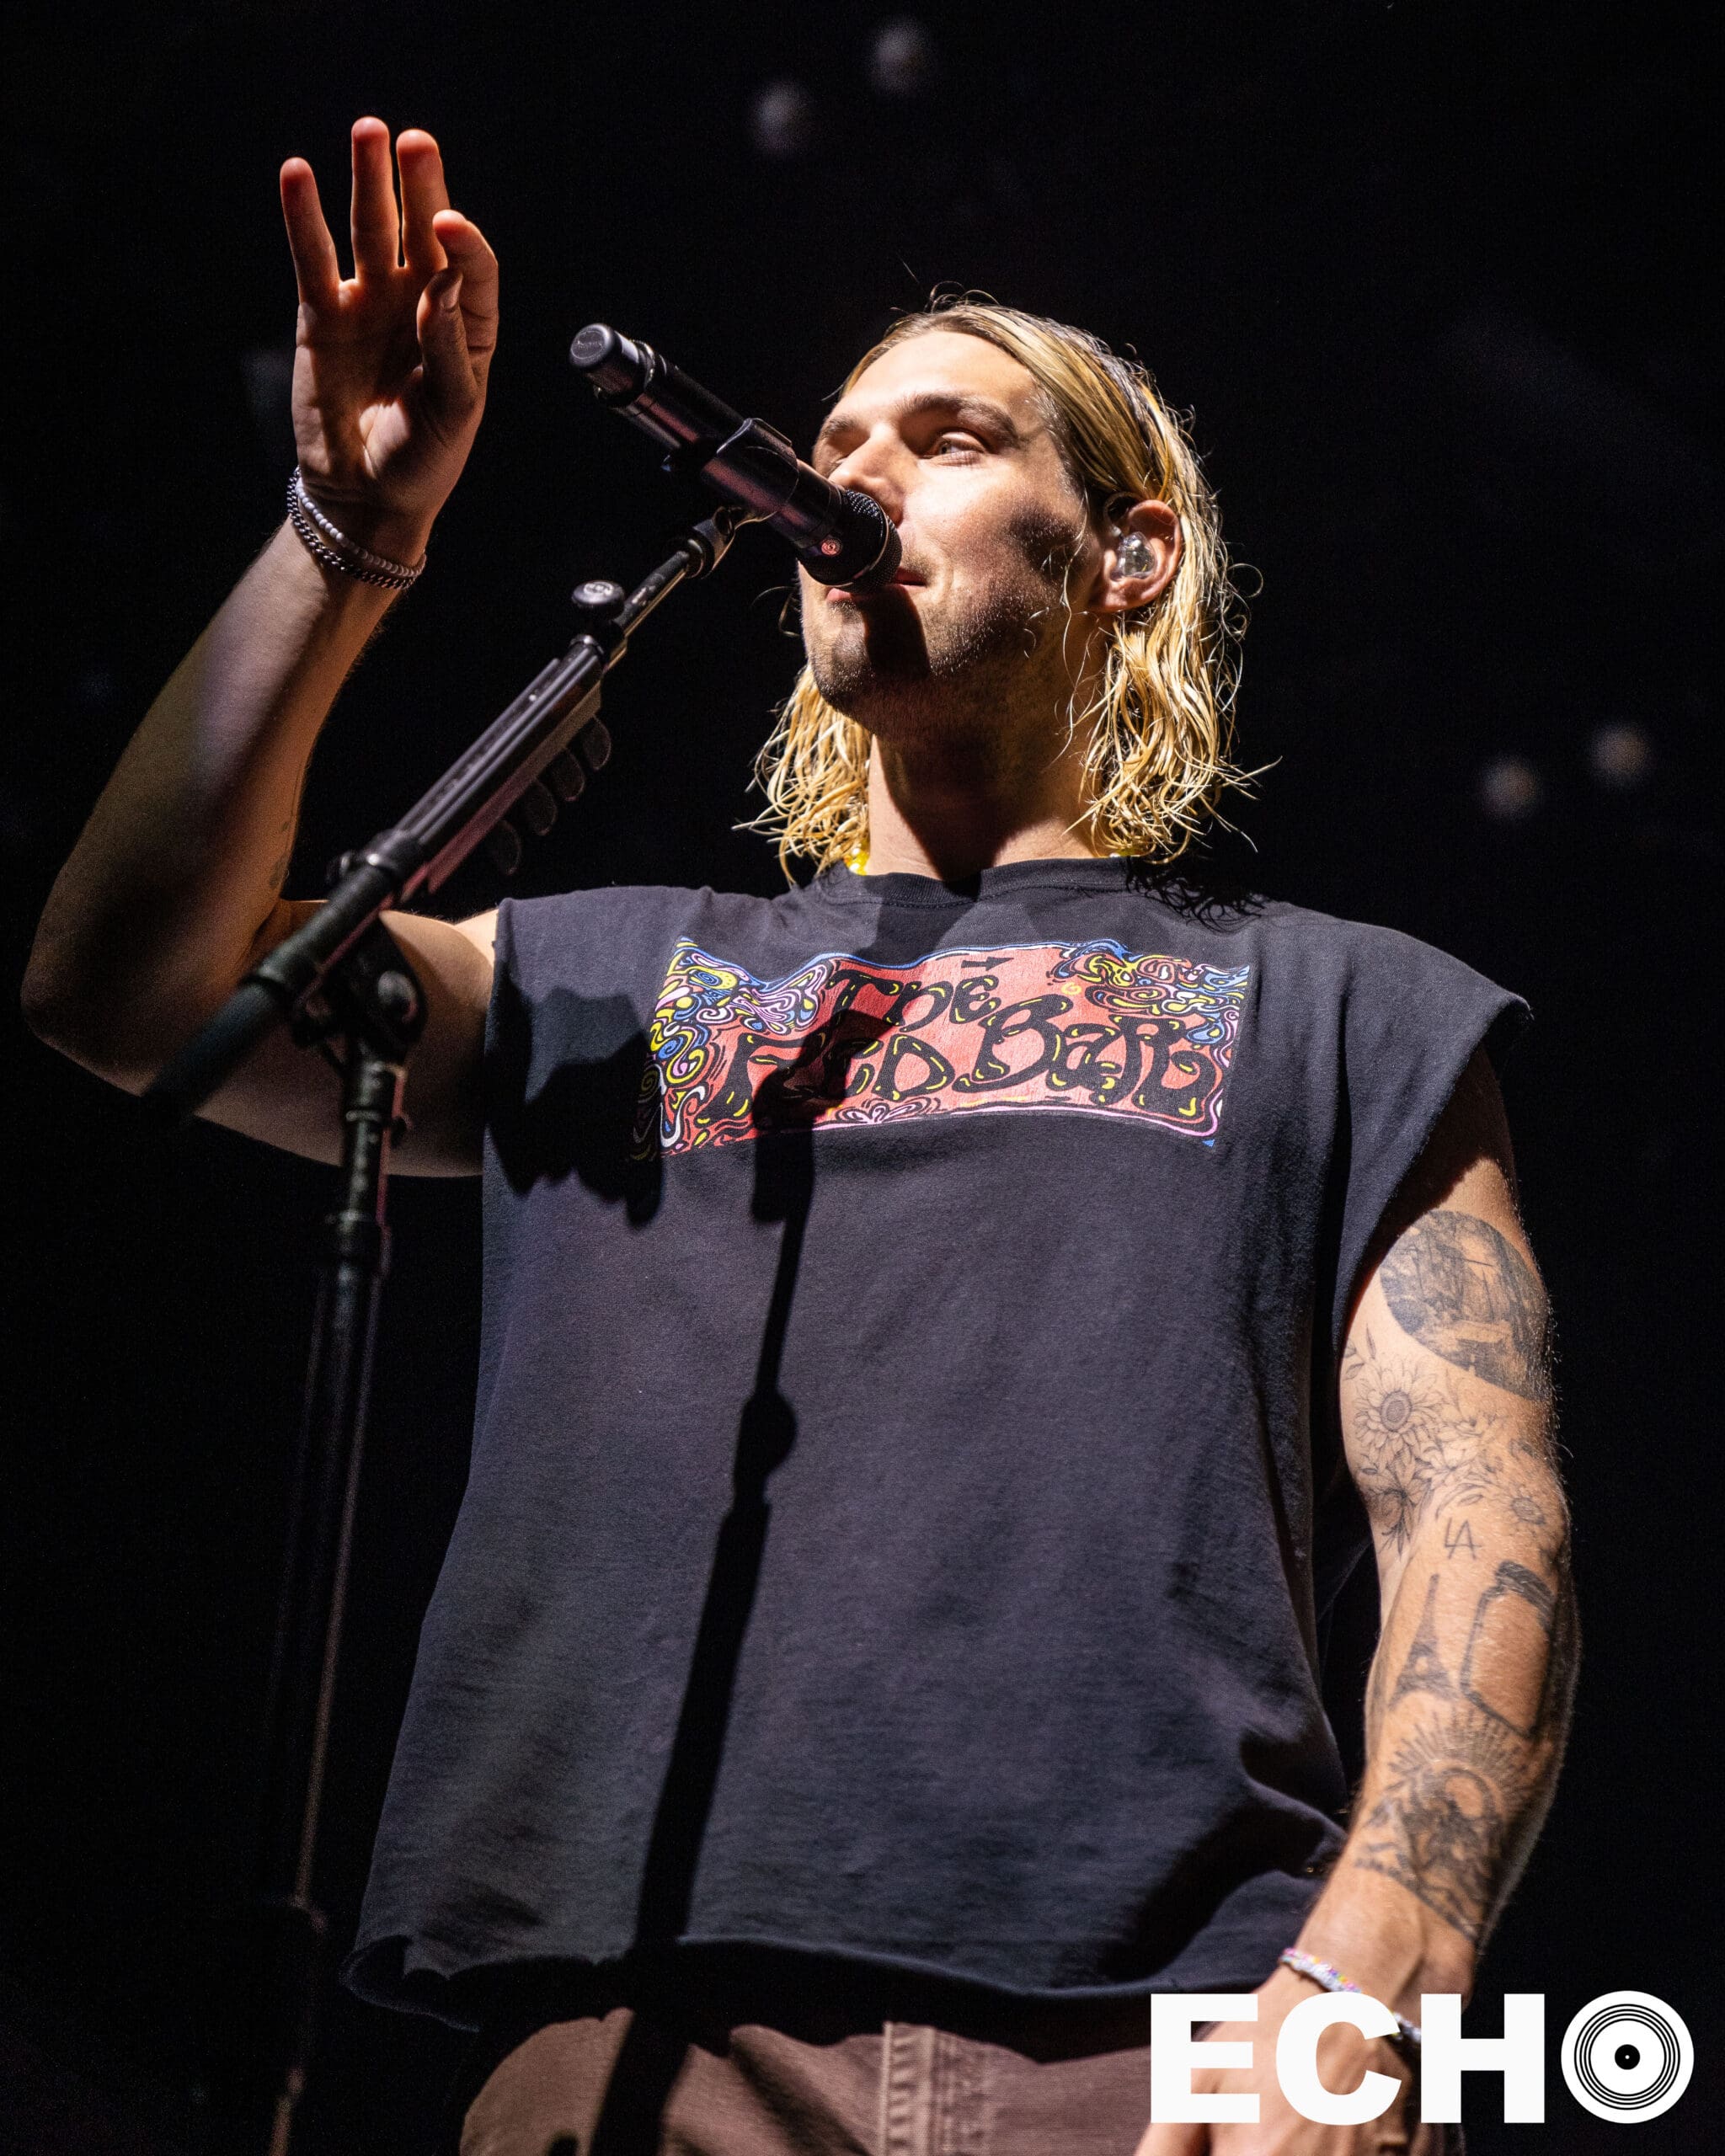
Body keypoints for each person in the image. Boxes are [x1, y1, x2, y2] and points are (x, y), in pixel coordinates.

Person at [24, 119, 1577, 2156]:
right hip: (641, 2049)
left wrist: (1388, 1950)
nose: (857, 475)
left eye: (949, 437)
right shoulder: (615, 976)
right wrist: (342, 537)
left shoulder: (1346, 1004)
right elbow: (130, 991)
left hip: (1179, 2037)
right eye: (838, 442)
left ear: (1124, 553)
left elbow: (1477, 1504)